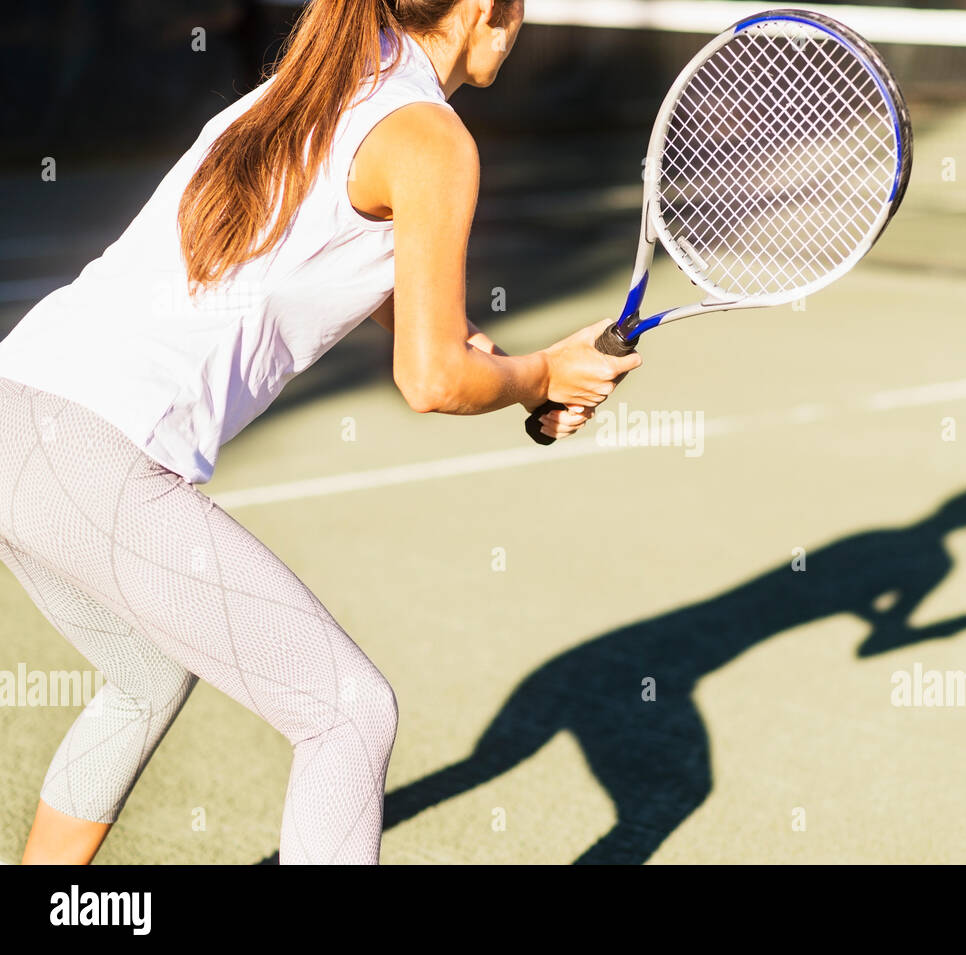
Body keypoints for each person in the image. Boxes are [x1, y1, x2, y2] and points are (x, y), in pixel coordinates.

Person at [0, 0, 637, 865]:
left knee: (147, 674)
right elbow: (432, 377)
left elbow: (371, 286)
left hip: (18, 406)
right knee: (348, 714)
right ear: (490, 8)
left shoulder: (314, 86)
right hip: (94, 451)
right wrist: (538, 378)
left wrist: (530, 369)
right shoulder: (431, 138)